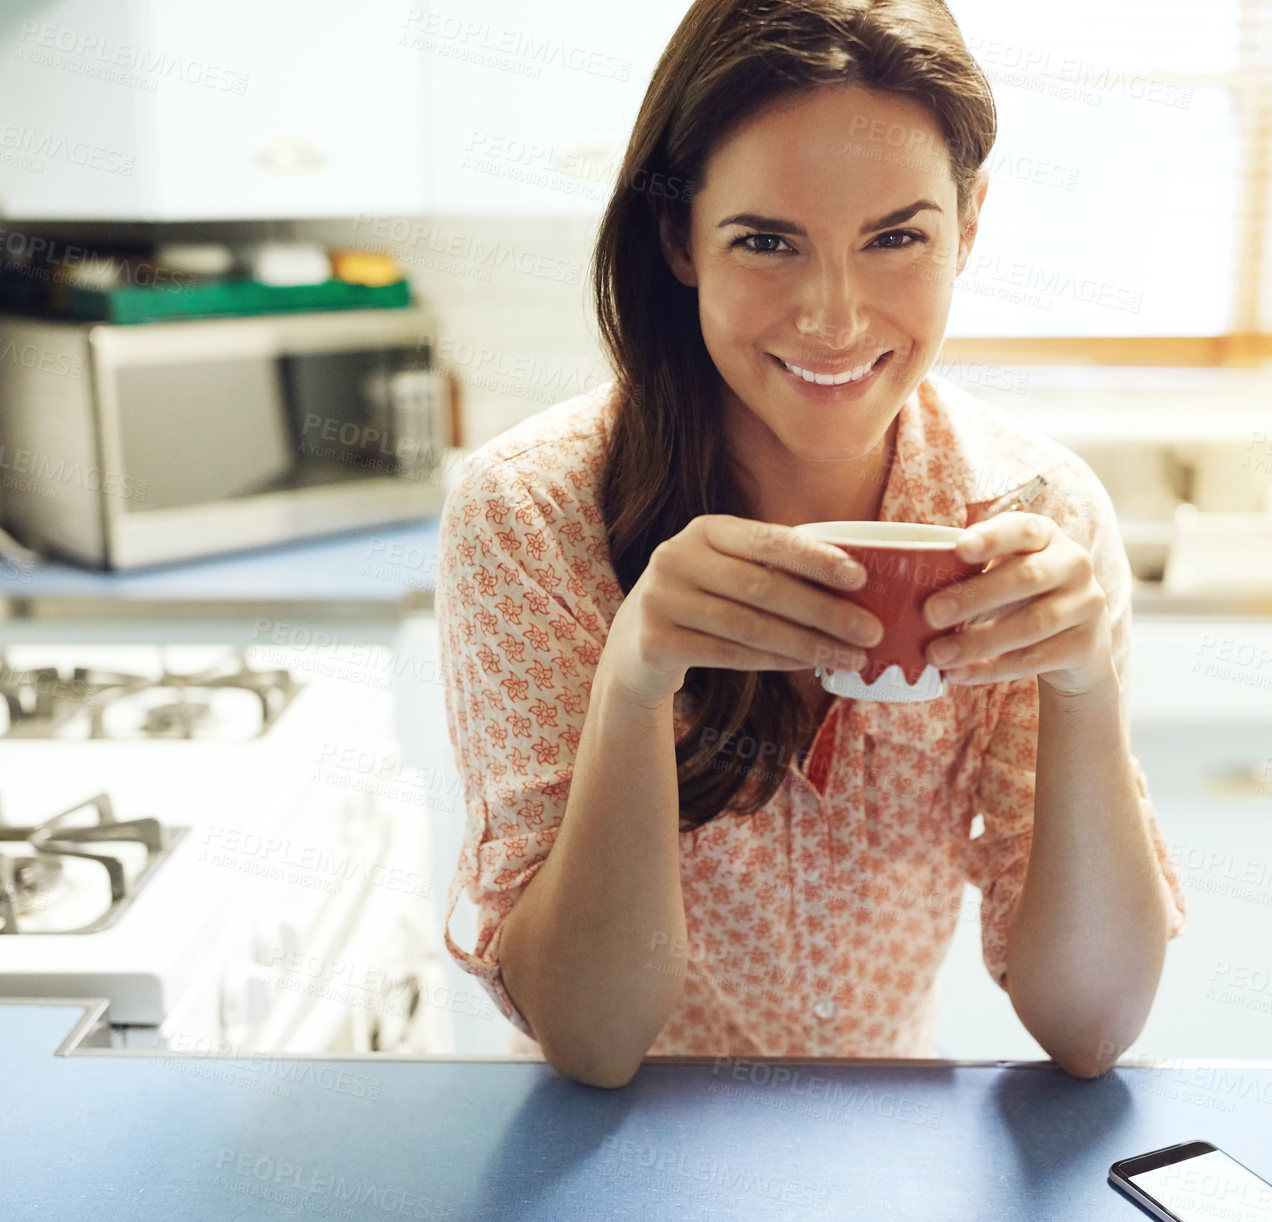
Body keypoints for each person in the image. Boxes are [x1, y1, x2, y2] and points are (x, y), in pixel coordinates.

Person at [438, 0, 1186, 1089]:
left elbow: (1091, 1024)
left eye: (897, 238)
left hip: (879, 1156)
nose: (835, 318)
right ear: (677, 235)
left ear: (968, 229)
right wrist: (635, 677)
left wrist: (1084, 692)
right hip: (615, 1156)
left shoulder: (1035, 515)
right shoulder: (529, 515)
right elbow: (592, 1037)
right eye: (766, 241)